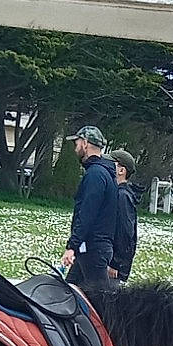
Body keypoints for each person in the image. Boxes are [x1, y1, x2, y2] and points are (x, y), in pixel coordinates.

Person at [58, 125, 118, 312]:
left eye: (77, 143)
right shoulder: (105, 174)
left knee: (102, 306)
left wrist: (72, 246)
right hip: (92, 250)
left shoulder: (95, 175)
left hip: (93, 250)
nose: (75, 147)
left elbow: (87, 214)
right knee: (67, 293)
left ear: (85, 143)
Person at [110, 149, 140, 283]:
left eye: (111, 164)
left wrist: (116, 264)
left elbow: (125, 233)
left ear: (121, 171)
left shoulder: (122, 196)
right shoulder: (117, 193)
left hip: (112, 269)